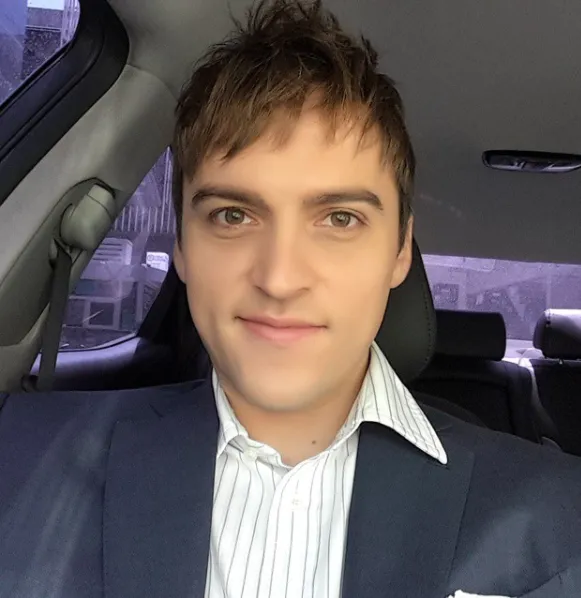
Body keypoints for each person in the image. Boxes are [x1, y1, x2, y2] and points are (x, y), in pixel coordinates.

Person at [0, 1, 580, 597]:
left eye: (339, 219)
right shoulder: (18, 458)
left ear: (400, 252)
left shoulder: (561, 520)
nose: (279, 278)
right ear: (182, 246)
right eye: (233, 215)